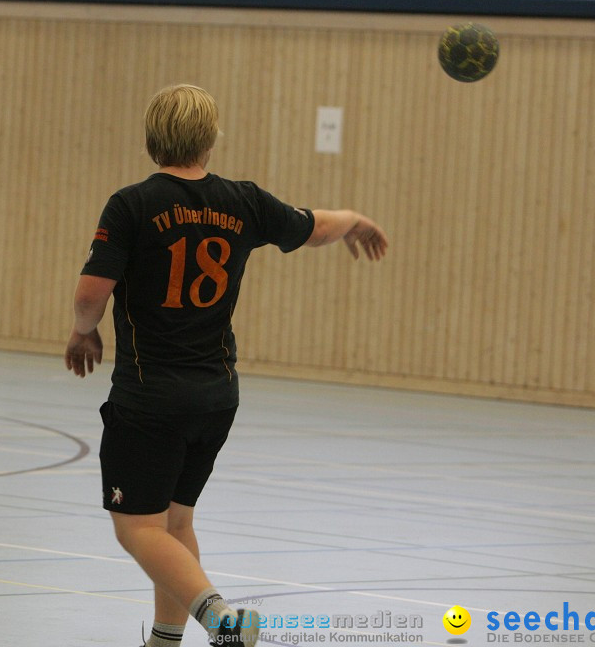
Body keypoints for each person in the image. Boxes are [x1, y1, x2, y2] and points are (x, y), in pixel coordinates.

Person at [64, 84, 388, 647]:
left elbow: (92, 293)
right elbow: (313, 227)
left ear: (150, 139)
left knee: (137, 527)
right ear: (210, 140)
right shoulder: (242, 201)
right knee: (175, 520)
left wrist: (82, 333)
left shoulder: (133, 204)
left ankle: (224, 622)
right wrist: (354, 218)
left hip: (150, 395)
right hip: (216, 394)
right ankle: (166, 639)